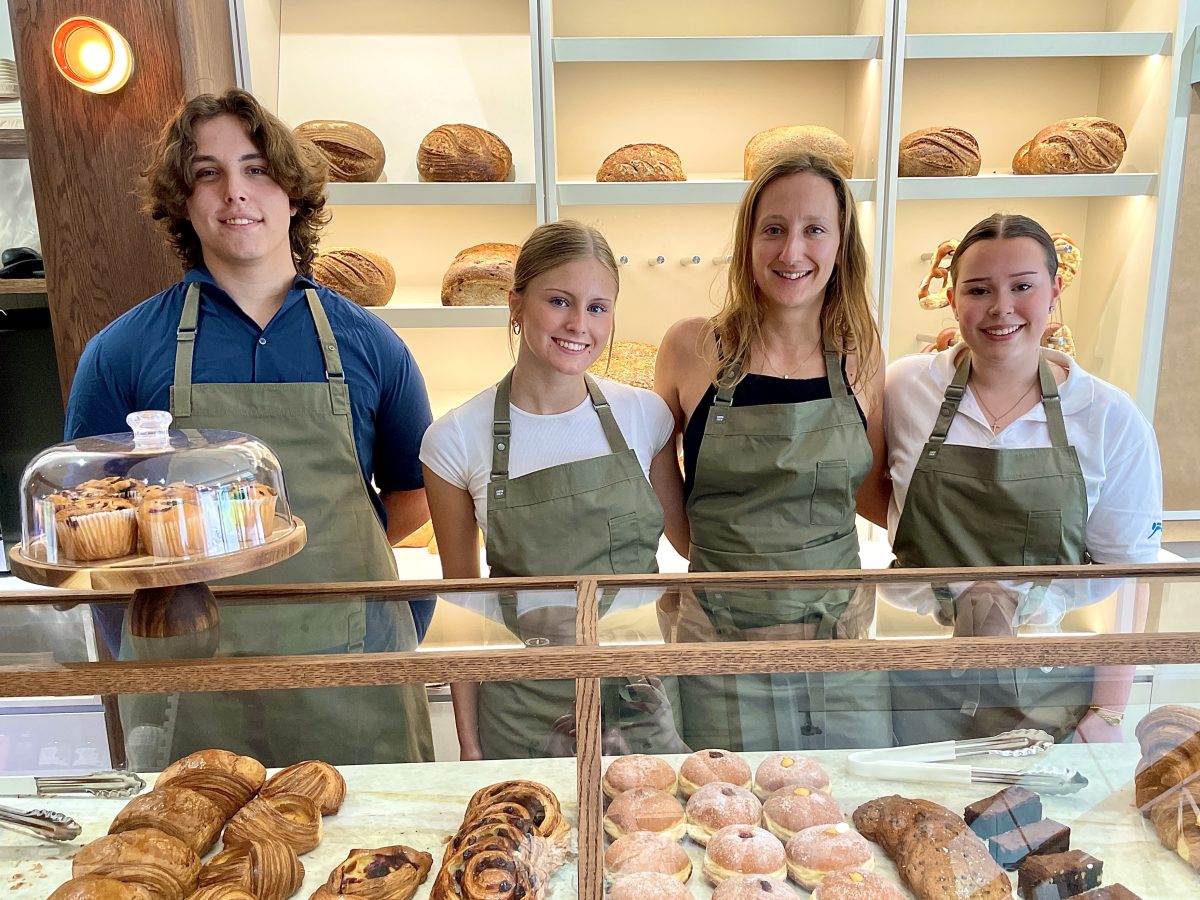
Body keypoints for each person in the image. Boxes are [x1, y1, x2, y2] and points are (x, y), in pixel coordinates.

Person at [64, 88, 435, 765]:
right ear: (183, 200)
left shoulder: (371, 345)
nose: (236, 191)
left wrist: (330, 563)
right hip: (192, 679)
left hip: (347, 673)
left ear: (293, 192)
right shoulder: (121, 351)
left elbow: (413, 495)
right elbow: (92, 528)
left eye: (257, 168)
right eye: (209, 172)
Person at [884, 212, 1163, 745]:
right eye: (979, 289)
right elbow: (875, 498)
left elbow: (1130, 578)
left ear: (1055, 292)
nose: (1001, 308)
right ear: (951, 295)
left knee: (1035, 828)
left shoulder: (1108, 416)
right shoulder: (902, 389)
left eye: (1023, 287)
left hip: (1045, 678)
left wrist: (1107, 712)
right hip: (918, 672)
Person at [420, 220, 690, 760]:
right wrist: (469, 746)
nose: (578, 324)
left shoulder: (646, 417)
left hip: (640, 697)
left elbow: (690, 548)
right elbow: (465, 607)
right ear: (516, 304)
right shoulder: (454, 439)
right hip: (523, 707)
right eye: (559, 300)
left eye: (597, 307)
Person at [654, 152, 890, 751]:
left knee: (848, 812)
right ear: (748, 241)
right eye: (774, 229)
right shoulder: (691, 346)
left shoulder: (860, 351)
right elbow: (666, 499)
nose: (792, 253)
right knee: (724, 817)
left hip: (838, 636)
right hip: (718, 636)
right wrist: (730, 571)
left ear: (841, 246)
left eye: (815, 230)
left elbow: (870, 493)